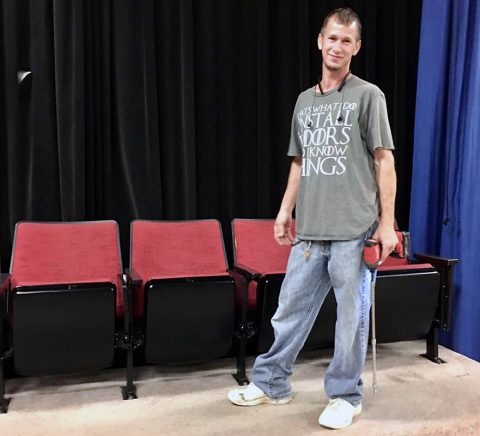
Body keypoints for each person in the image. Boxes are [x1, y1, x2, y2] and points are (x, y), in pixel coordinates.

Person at [227, 7, 398, 430]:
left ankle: (345, 396)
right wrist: (286, 211)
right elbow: (300, 164)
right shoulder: (304, 101)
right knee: (288, 311)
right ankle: (272, 383)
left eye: (347, 40)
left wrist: (387, 223)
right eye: (332, 38)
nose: (337, 46)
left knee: (350, 321)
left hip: (354, 231)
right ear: (319, 41)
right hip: (310, 230)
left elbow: (384, 161)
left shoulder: (368, 95)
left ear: (356, 48)